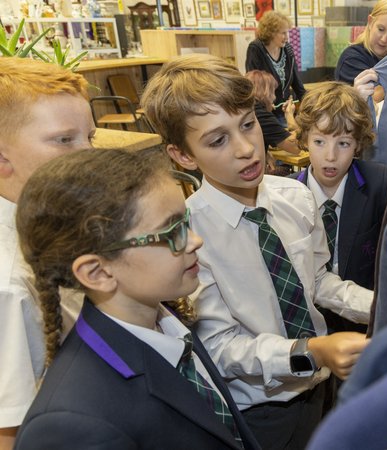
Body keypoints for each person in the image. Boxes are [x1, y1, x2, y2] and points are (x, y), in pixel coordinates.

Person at [141, 54, 373, 450]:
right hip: (262, 411)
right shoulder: (190, 235)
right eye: (218, 140)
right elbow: (220, 345)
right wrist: (310, 352)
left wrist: (379, 306)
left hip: (321, 386)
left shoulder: (295, 196)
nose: (247, 148)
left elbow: (317, 280)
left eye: (248, 124)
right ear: (182, 155)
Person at [13, 148, 260, 450]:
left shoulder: (166, 320)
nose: (196, 241)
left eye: (186, 222)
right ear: (98, 272)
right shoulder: (73, 425)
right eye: (172, 232)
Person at [0, 57, 95, 450]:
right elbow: (9, 431)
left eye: (91, 137)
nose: (88, 155)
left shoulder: (54, 218)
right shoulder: (10, 284)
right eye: (64, 140)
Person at [293, 81, 387, 331]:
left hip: (364, 321)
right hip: (307, 326)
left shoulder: (380, 183)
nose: (330, 156)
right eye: (319, 142)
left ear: (358, 144)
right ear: (304, 139)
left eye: (343, 143)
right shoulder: (285, 195)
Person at [335, 0, 387, 102]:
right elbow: (377, 96)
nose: (384, 39)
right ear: (370, 22)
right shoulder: (352, 58)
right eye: (381, 29)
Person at [245, 10, 305, 126]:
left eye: (287, 33)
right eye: (283, 33)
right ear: (271, 33)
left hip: (285, 111)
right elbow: (253, 84)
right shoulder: (256, 49)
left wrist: (310, 103)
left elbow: (298, 85)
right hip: (265, 113)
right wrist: (265, 104)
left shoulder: (287, 49)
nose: (287, 37)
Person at [245, 69, 300, 176]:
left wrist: (265, 152)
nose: (274, 97)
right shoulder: (260, 114)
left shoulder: (248, 109)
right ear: (266, 92)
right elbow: (296, 147)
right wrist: (289, 115)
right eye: (273, 92)